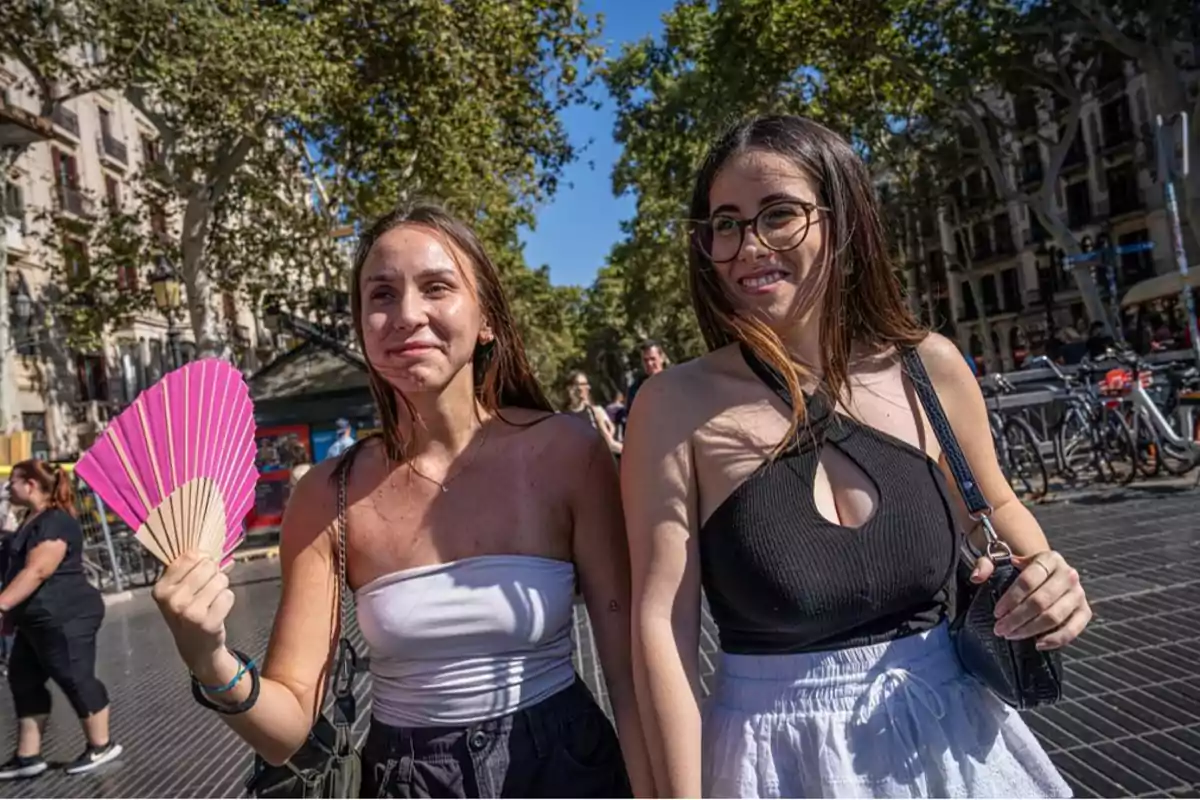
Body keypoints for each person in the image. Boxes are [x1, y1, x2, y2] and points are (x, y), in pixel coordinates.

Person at [622, 115, 1089, 798]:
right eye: (726, 224)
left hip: (957, 746)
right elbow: (661, 624)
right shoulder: (672, 405)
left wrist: (1053, 584)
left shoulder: (930, 366)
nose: (749, 245)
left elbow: (996, 508)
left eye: (778, 214)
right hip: (771, 761)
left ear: (844, 220)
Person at [151, 202, 652, 798]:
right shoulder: (325, 496)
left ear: (487, 317)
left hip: (570, 771)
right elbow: (289, 730)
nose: (407, 314)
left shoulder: (569, 450)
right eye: (381, 295)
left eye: (437, 287)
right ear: (362, 324)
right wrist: (208, 661)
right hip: (406, 781)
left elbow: (629, 673)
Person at [0, 461, 122, 779]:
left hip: (66, 614)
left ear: (30, 485)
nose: (7, 488)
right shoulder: (31, 519)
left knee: (73, 675)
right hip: (34, 620)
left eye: (11, 482)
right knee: (23, 679)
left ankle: (102, 744)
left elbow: (39, 569)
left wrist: (2, 604)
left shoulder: (55, 522)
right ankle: (28, 756)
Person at [565, 370, 622, 457]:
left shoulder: (595, 413)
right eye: (582, 384)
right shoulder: (561, 417)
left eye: (586, 384)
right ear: (571, 388)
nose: (587, 387)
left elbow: (610, 444)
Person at [624, 340, 669, 414]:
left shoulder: (674, 382)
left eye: (653, 359)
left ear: (662, 358)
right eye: (645, 360)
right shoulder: (636, 389)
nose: (649, 363)